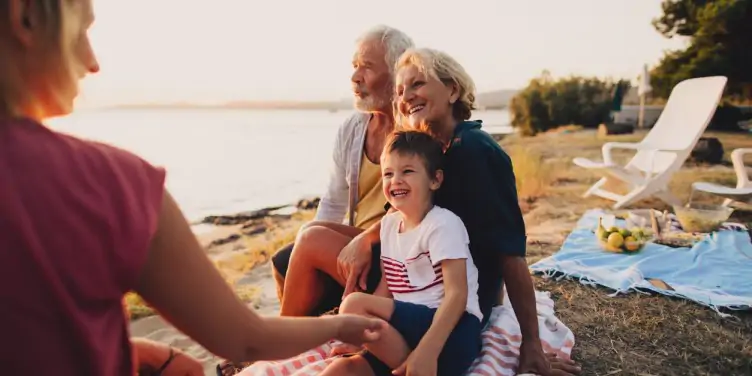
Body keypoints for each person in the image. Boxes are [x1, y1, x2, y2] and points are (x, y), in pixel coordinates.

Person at [0, 1, 386, 374]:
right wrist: (340, 326)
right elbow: (244, 338)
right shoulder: (109, 184)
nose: (93, 62)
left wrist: (127, 348)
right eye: (82, 30)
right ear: (25, 15)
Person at [279, 46, 582, 375]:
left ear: (452, 90)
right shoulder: (434, 147)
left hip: (439, 286)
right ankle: (294, 338)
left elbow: (511, 253)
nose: (406, 96)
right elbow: (403, 215)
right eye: (400, 90)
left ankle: (279, 345)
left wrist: (531, 343)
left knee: (311, 242)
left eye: (417, 84)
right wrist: (369, 237)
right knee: (303, 241)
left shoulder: (475, 152)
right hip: (415, 264)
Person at [274, 25, 414, 316]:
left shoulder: (415, 130)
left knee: (311, 239)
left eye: (367, 67)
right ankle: (298, 332)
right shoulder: (353, 129)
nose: (355, 78)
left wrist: (361, 240)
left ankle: (279, 343)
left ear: (397, 72)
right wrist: (307, 250)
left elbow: (418, 209)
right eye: (354, 67)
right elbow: (334, 201)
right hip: (356, 243)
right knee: (286, 256)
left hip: (396, 252)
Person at [320, 130, 483, 376]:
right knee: (340, 370)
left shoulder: (443, 224)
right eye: (388, 173)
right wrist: (361, 337)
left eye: (407, 171)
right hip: (405, 334)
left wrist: (426, 351)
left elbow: (457, 295)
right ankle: (410, 367)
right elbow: (389, 286)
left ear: (435, 180)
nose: (395, 180)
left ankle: (420, 366)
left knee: (353, 304)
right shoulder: (388, 226)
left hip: (450, 332)